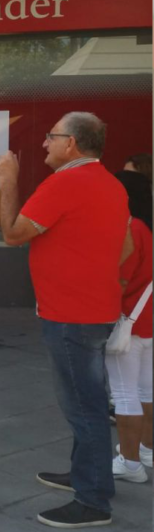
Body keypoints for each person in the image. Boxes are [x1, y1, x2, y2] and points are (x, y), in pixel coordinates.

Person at [0, 111, 129, 529]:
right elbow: (124, 247)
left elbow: (14, 234)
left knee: (83, 407)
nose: (44, 144)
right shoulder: (110, 184)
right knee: (87, 400)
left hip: (72, 314)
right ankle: (90, 478)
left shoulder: (65, 183)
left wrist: (8, 181)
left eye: (51, 137)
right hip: (96, 309)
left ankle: (92, 502)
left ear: (71, 143)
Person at [106, 170, 153, 483]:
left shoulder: (129, 229)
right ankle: (146, 449)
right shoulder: (145, 228)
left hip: (128, 324)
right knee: (146, 391)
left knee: (125, 395)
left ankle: (131, 462)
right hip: (148, 320)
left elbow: (119, 281)